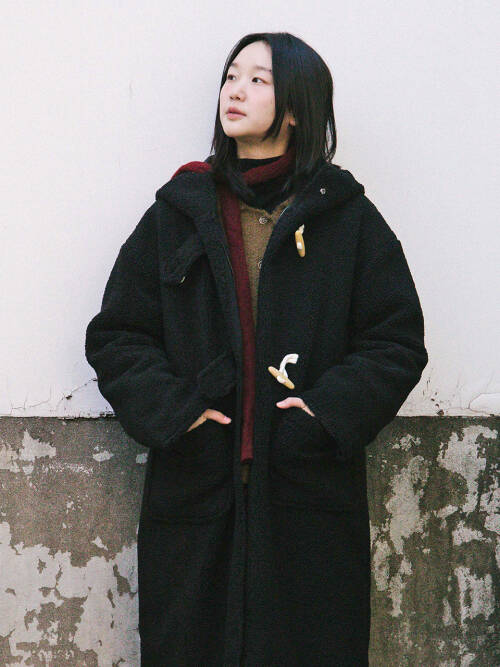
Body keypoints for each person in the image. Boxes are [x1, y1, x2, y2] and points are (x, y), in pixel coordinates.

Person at [85, 31, 428, 666]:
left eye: (257, 80)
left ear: (295, 107)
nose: (234, 91)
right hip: (198, 488)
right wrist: (179, 413)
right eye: (230, 76)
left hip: (306, 493)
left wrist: (324, 413)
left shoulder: (344, 217)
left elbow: (395, 339)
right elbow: (118, 334)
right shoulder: (179, 211)